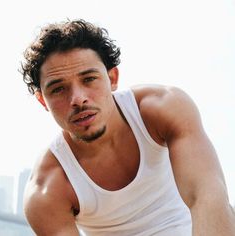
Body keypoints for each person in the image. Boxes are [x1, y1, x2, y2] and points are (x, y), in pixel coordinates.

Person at [21, 19, 235, 236]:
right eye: (58, 89)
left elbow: (208, 197)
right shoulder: (46, 189)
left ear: (112, 78)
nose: (78, 99)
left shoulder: (162, 108)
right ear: (42, 101)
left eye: (89, 79)